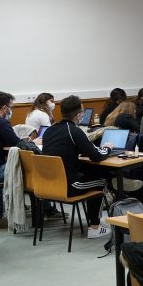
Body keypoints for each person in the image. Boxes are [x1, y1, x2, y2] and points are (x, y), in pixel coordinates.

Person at [42, 96, 114, 240]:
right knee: (102, 181)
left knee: (91, 171)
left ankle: (92, 223)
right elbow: (96, 156)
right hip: (69, 186)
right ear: (79, 114)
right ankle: (94, 227)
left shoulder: (50, 131)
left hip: (48, 186)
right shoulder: (74, 131)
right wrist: (107, 148)